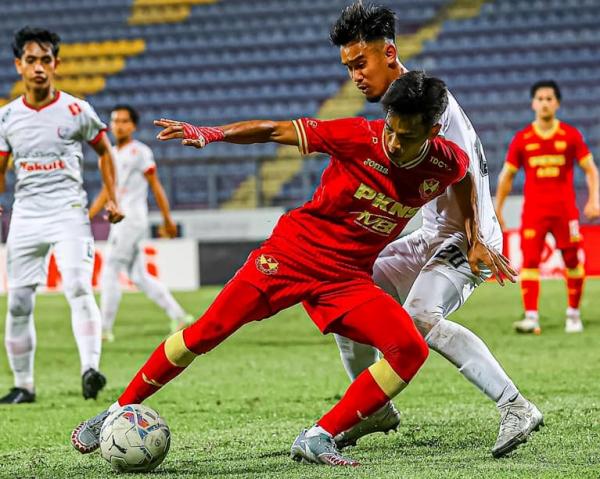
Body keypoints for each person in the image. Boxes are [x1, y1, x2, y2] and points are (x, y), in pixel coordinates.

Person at [73, 72, 474, 466]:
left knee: (410, 350)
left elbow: (464, 180)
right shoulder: (357, 136)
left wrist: (474, 235)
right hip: (291, 254)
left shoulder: (448, 162)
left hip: (346, 277)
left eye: (406, 137)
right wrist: (213, 134)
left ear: (433, 131)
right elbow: (274, 130)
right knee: (207, 330)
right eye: (390, 129)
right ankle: (116, 409)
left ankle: (319, 436)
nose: (393, 143)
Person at [326, 2, 542, 458]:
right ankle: (372, 407)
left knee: (421, 317)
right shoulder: (402, 103)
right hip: (434, 234)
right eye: (348, 68)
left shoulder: (427, 105)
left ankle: (516, 406)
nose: (355, 76)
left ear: (389, 53)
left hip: (469, 237)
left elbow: (463, 175)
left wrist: (476, 239)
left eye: (360, 63)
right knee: (349, 293)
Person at [0, 27, 123, 404]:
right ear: (19, 65)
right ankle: (24, 385)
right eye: (31, 60)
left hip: (69, 213)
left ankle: (90, 369)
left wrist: (113, 197)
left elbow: (105, 152)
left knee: (78, 287)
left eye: (46, 60)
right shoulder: (7, 117)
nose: (39, 68)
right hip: (26, 216)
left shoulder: (76, 110)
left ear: (56, 64)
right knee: (18, 301)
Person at [496, 80, 599, 334]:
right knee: (530, 262)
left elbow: (590, 169)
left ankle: (573, 315)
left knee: (573, 260)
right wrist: (497, 208)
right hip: (534, 212)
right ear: (533, 103)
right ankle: (531, 317)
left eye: (549, 99)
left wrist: (594, 199)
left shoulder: (570, 135)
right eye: (540, 99)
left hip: (565, 212)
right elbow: (506, 176)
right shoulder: (523, 139)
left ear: (557, 103)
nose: (544, 103)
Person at [89, 104, 193, 342]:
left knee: (111, 269)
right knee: (138, 276)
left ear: (133, 126)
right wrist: (87, 217)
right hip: (120, 220)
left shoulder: (140, 152)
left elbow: (155, 186)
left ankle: (103, 330)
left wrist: (168, 219)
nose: (119, 125)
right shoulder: (109, 153)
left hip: (132, 218)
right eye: (115, 121)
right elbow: (107, 191)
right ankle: (179, 316)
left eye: (124, 121)